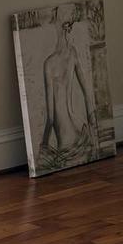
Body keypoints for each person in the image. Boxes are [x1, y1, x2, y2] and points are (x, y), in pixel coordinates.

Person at [40, 16, 97, 165]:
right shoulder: (72, 53)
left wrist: (43, 145)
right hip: (80, 131)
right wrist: (92, 126)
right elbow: (87, 94)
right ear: (67, 30)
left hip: (66, 142)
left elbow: (50, 118)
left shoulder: (49, 64)